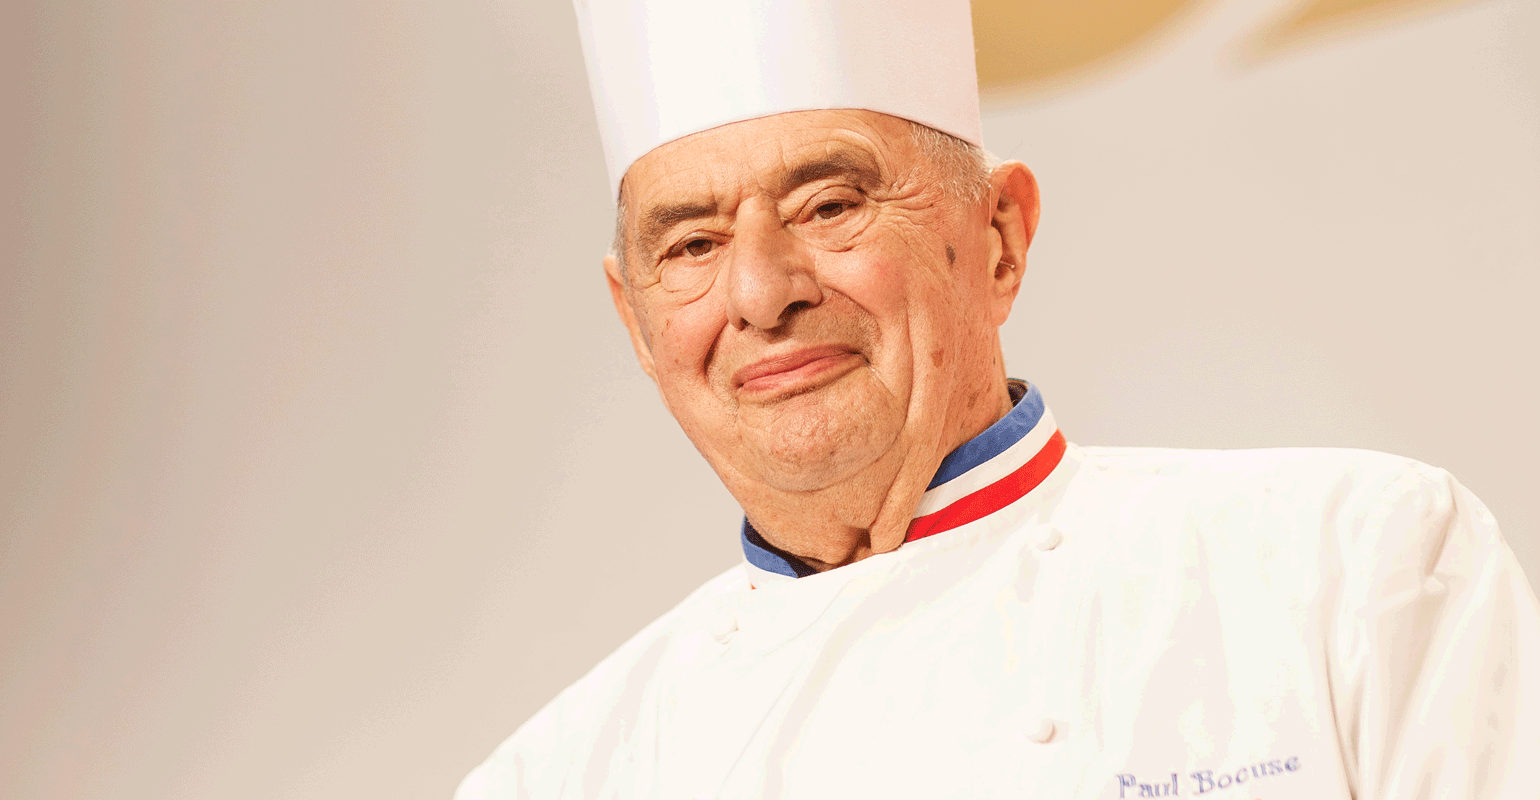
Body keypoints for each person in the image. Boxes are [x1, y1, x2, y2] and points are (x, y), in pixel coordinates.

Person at [458, 0, 1540, 797]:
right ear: (636, 323)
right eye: (691, 245)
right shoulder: (557, 777)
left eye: (829, 205)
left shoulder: (1357, 567)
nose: (760, 292)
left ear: (999, 239)